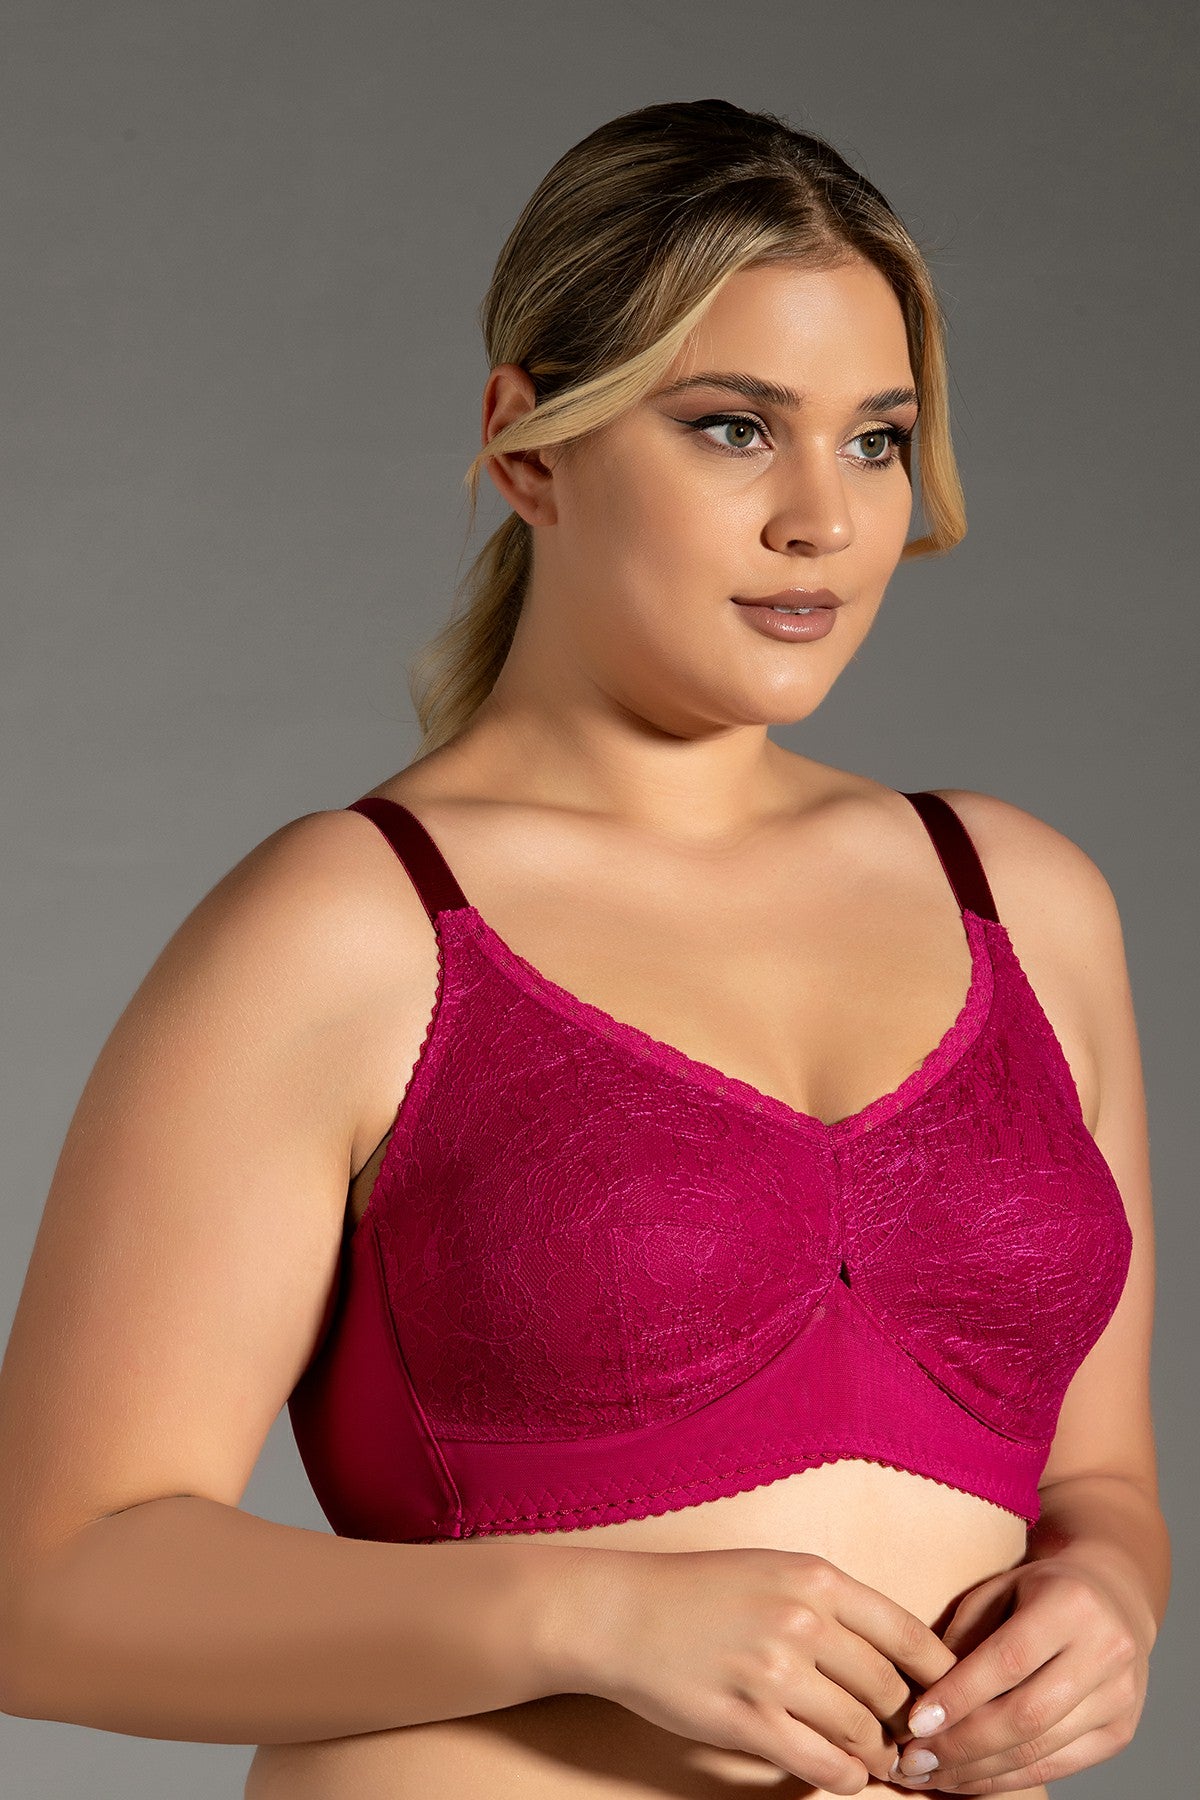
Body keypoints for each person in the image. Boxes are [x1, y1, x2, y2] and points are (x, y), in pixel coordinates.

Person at [0, 97, 1168, 1800]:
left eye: (876, 440)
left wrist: (1110, 1593)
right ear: (528, 446)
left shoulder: (1024, 900)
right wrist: (587, 1613)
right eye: (733, 428)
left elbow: (1098, 1481)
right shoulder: (349, 927)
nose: (823, 521)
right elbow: (48, 1590)